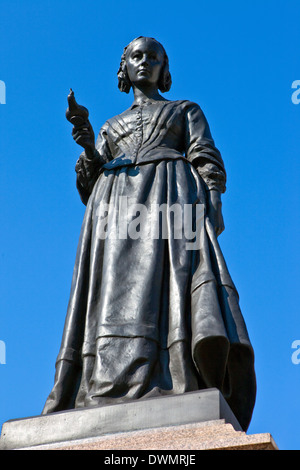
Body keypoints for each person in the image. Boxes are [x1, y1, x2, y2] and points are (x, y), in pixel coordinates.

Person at [42, 37, 256, 431]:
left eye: (153, 57)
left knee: (168, 287)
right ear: (124, 67)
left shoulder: (184, 110)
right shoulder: (110, 126)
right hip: (113, 213)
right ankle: (101, 385)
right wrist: (90, 147)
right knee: (109, 298)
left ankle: (173, 377)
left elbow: (206, 159)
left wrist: (211, 204)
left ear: (164, 67)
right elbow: (89, 188)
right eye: (136, 56)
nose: (145, 62)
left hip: (170, 202)